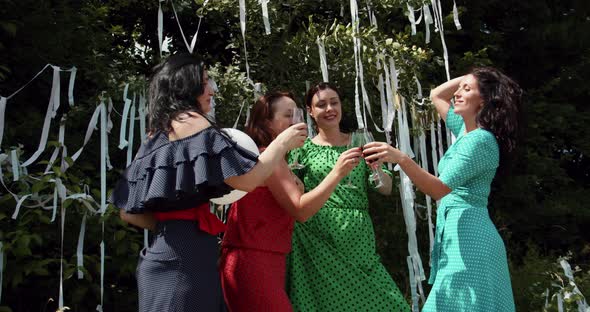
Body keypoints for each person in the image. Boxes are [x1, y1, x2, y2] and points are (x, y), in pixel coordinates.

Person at [109, 53, 307, 312]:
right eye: (204, 82)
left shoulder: (156, 133)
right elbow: (248, 180)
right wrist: (282, 143)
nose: (211, 90)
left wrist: (173, 224)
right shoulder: (192, 122)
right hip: (186, 261)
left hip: (164, 256)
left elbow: (128, 213)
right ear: (186, 85)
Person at [363, 67, 521, 311]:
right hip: (460, 233)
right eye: (460, 88)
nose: (458, 93)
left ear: (485, 100)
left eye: (466, 90)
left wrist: (401, 159)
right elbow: (437, 94)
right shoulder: (466, 132)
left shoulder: (480, 140)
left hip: (471, 238)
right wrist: (476, 76)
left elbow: (439, 189)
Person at [219, 91, 362, 311]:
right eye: (288, 115)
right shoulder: (268, 157)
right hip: (253, 259)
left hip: (268, 259)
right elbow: (301, 211)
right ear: (267, 122)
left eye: (297, 114)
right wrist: (337, 173)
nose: (297, 121)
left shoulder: (275, 158)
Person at [285, 82, 411, 311]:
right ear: (310, 111)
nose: (329, 108)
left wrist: (377, 169)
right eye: (321, 105)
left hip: (357, 234)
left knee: (388, 302)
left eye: (334, 102)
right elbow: (294, 195)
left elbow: (385, 188)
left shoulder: (359, 143)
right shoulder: (301, 149)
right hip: (317, 236)